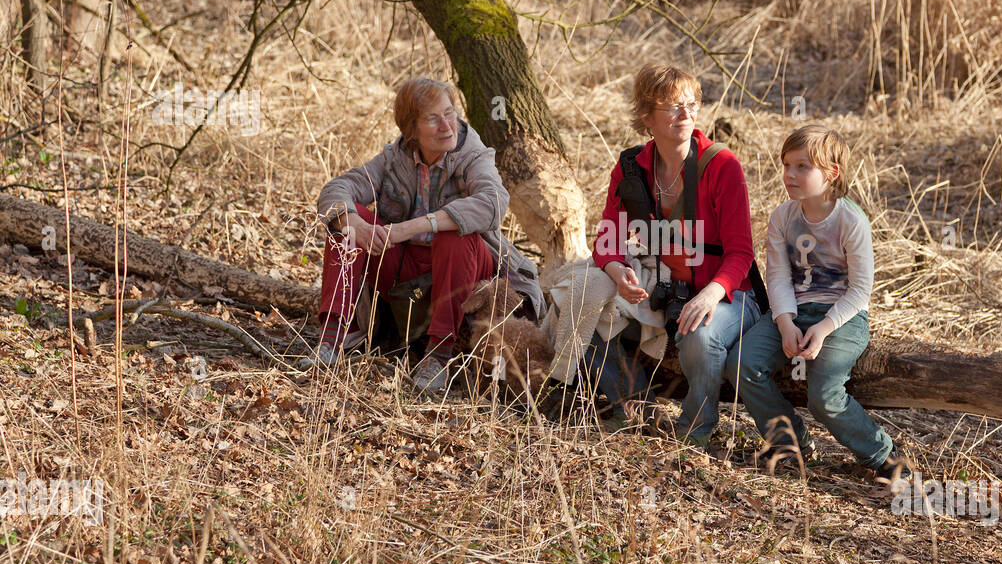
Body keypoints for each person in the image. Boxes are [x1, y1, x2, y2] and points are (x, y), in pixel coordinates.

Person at [302, 76, 543, 394]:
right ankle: (332, 341)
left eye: (449, 112)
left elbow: (494, 202)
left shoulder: (473, 154)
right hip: (406, 269)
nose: (447, 125)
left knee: (453, 234)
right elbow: (338, 188)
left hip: (465, 269)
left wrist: (414, 226)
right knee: (346, 221)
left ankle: (437, 357)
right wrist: (353, 223)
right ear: (411, 130)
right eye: (433, 118)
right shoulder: (394, 157)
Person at [580, 63, 762, 446]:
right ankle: (635, 407)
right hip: (662, 288)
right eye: (673, 106)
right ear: (647, 116)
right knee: (582, 303)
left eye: (692, 104)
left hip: (730, 293)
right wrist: (616, 271)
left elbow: (741, 252)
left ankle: (693, 432)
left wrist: (711, 294)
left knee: (698, 335)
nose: (686, 113)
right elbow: (607, 237)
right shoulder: (632, 167)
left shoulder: (721, 165)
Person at [727, 124, 903, 476]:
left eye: (802, 167)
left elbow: (860, 290)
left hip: (842, 317)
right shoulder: (782, 217)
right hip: (793, 310)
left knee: (823, 395)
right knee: (741, 363)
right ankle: (789, 441)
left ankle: (883, 456)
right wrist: (785, 322)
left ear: (831, 173)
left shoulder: (850, 220)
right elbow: (777, 276)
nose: (789, 175)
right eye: (786, 165)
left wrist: (823, 329)